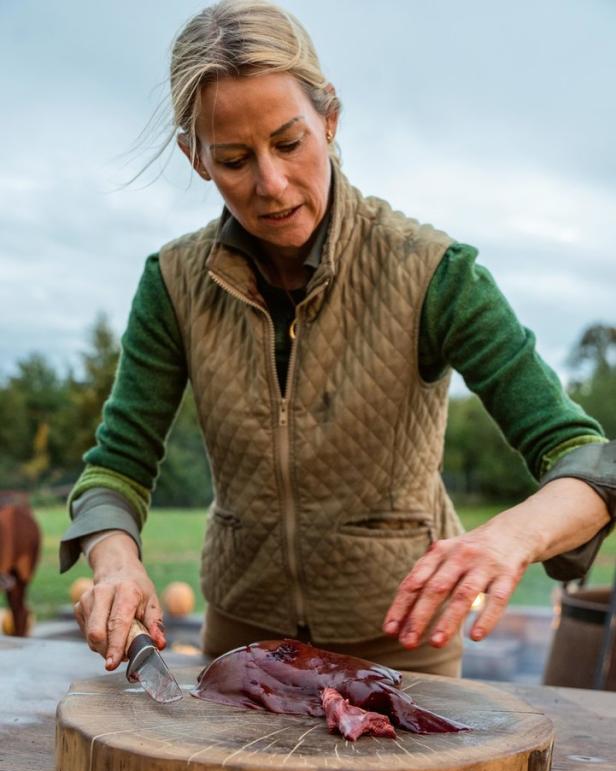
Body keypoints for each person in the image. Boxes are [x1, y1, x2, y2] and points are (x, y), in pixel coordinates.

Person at [61, 0, 615, 678]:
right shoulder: (173, 283)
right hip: (242, 650)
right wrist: (117, 563)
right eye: (234, 158)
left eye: (290, 142)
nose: (271, 184)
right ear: (195, 157)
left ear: (330, 118)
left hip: (403, 650)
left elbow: (588, 461)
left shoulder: (434, 273)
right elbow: (116, 467)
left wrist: (510, 535)